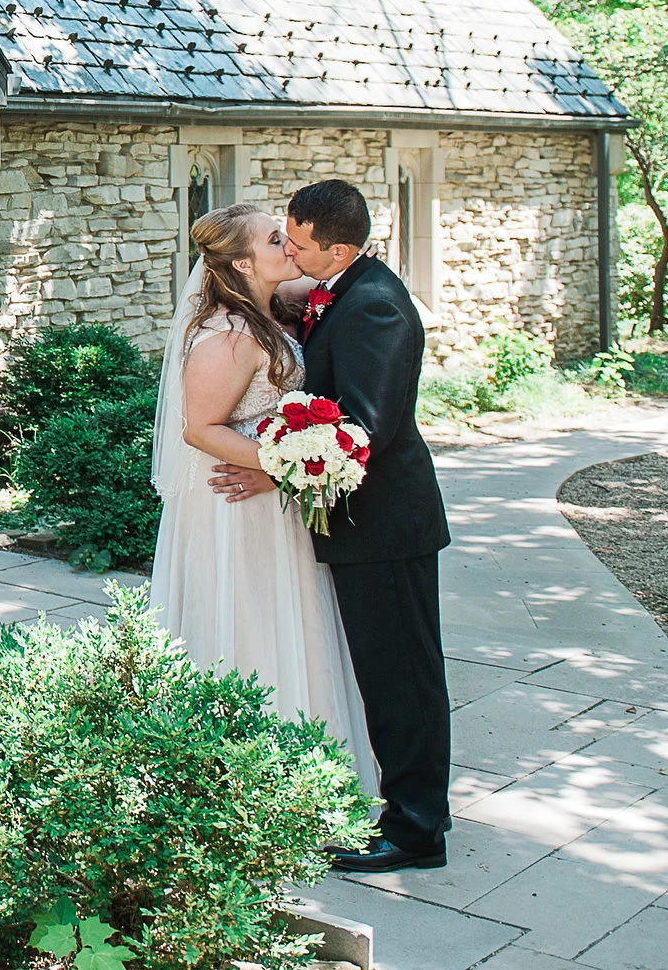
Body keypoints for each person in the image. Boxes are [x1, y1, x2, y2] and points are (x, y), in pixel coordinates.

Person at [213, 178, 452, 874]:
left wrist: (273, 472)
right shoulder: (341, 287)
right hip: (366, 525)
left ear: (339, 249)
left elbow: (361, 432)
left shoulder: (373, 306)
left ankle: (415, 832)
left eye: (298, 243)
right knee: (388, 673)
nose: (288, 250)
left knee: (402, 678)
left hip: (385, 526)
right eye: (283, 237)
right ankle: (414, 810)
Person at [149, 203, 379, 799]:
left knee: (290, 621)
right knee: (249, 621)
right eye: (277, 239)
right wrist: (291, 465)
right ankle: (249, 782)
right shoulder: (227, 335)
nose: (290, 245)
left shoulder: (270, 308)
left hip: (268, 499)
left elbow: (333, 278)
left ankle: (306, 776)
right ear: (245, 263)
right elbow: (200, 429)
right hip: (234, 505)